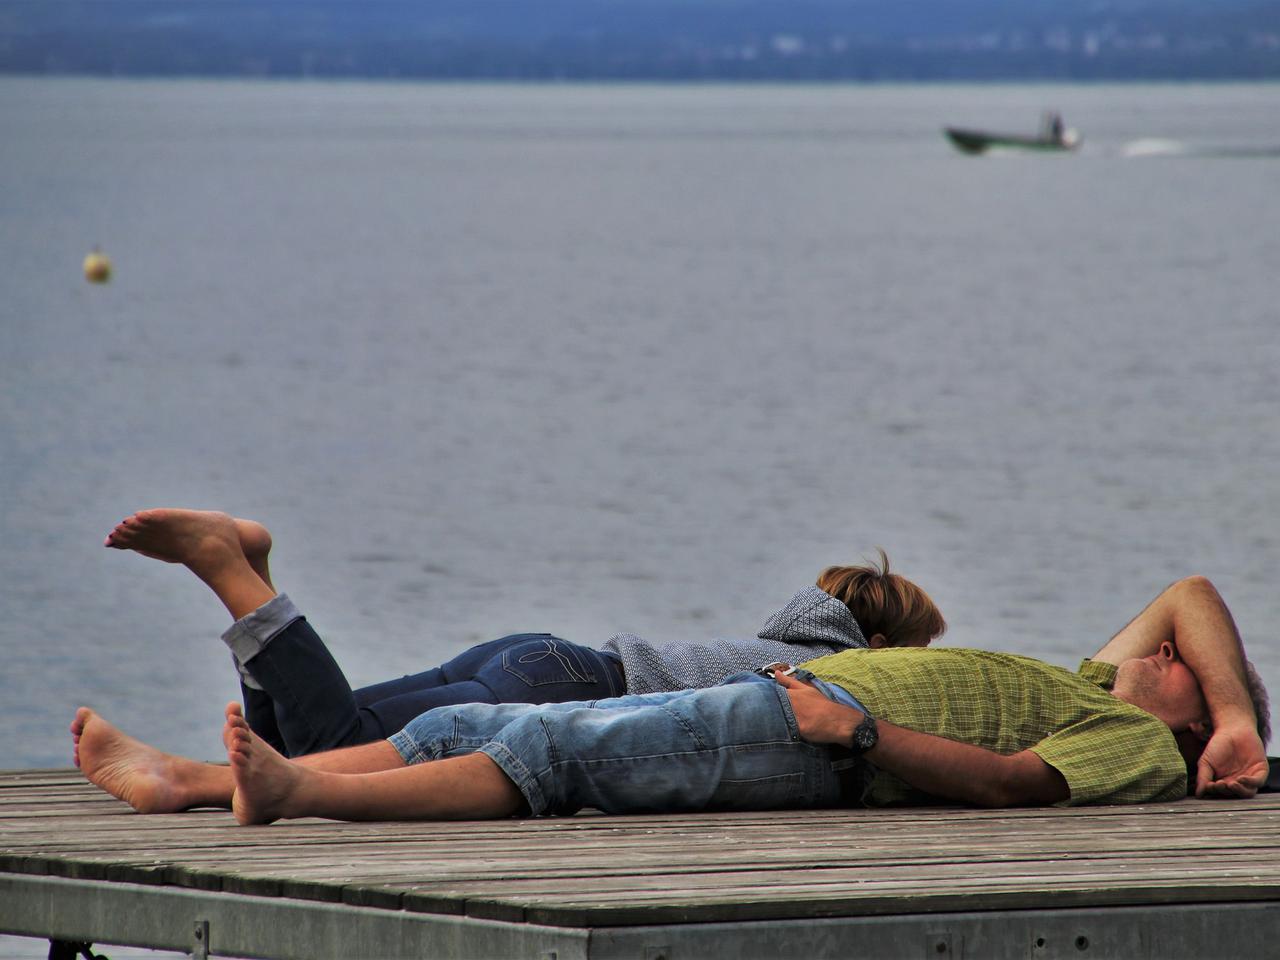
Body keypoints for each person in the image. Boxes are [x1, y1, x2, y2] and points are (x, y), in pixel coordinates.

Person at [73, 574, 1269, 823]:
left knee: (557, 763)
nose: (1161, 645)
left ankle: (293, 790)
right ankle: (196, 781)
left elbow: (1014, 787)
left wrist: (853, 729)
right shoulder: (1097, 688)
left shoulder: (1129, 741)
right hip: (785, 701)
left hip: (809, 738)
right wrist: (1234, 720)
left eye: (1173, 662)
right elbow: (1188, 591)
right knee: (467, 728)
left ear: (1168, 707)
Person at [102, 509, 944, 758]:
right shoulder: (833, 677)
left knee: (299, 749)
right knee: (336, 745)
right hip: (561, 691)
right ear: (883, 651)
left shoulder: (781, 643)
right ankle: (226, 567)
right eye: (923, 661)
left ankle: (252, 571)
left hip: (539, 658)